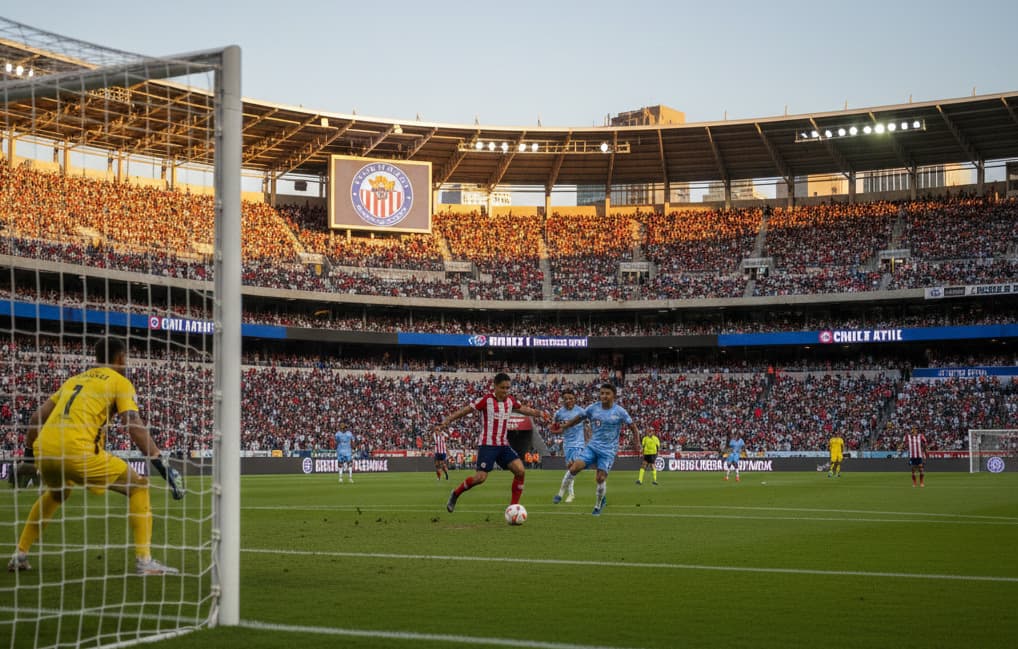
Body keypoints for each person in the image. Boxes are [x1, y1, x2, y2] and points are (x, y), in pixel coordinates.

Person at [7, 337, 183, 576]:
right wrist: (162, 465)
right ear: (121, 358)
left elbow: (38, 417)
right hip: (78, 452)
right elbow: (132, 423)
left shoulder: (74, 380)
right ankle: (144, 561)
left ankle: (20, 553)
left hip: (44, 450)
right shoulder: (119, 382)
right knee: (139, 486)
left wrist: (28, 458)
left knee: (58, 493)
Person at [436, 372, 549, 514]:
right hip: (487, 445)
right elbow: (465, 410)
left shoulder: (510, 401)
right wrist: (447, 420)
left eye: (508, 388)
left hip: (503, 445)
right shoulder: (486, 400)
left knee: (520, 471)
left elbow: (522, 408)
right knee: (480, 478)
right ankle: (456, 493)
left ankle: (513, 508)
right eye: (503, 388)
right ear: (495, 386)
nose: (505, 391)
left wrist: (539, 413)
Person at [553, 383, 642, 516]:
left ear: (614, 395)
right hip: (592, 447)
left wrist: (637, 442)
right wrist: (565, 426)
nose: (604, 396)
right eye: (602, 393)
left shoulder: (620, 411)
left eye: (607, 393)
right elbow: (578, 418)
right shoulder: (593, 408)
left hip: (608, 451)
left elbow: (633, 427)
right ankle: (560, 493)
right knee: (573, 468)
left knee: (600, 478)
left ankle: (598, 505)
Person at [550, 388, 587, 503]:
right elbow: (554, 428)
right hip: (567, 444)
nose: (568, 401)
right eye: (566, 399)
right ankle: (571, 494)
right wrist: (555, 429)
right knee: (571, 470)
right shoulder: (559, 413)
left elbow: (588, 426)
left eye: (571, 398)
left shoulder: (581, 412)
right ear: (563, 400)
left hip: (578, 443)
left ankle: (560, 494)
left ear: (575, 399)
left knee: (573, 467)